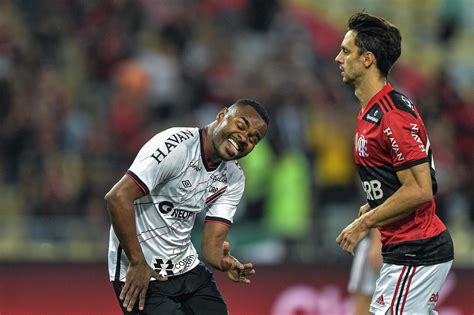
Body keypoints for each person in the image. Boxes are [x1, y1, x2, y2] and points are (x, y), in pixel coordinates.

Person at [334, 13, 454, 315]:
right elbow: (395, 183)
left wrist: (364, 223)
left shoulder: (391, 114)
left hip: (417, 249)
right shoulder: (370, 111)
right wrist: (374, 207)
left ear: (367, 59)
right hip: (404, 248)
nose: (338, 58)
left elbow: (420, 189)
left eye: (346, 51)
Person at [105, 99, 269, 314]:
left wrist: (222, 262)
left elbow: (211, 247)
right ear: (222, 115)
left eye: (253, 139)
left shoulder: (234, 177)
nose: (244, 138)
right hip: (141, 271)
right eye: (241, 126)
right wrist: (137, 262)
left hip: (187, 268)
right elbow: (117, 197)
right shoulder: (175, 147)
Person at [348, 227, 382, 315]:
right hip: (383, 243)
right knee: (365, 299)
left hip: (384, 243)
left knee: (365, 299)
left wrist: (376, 242)